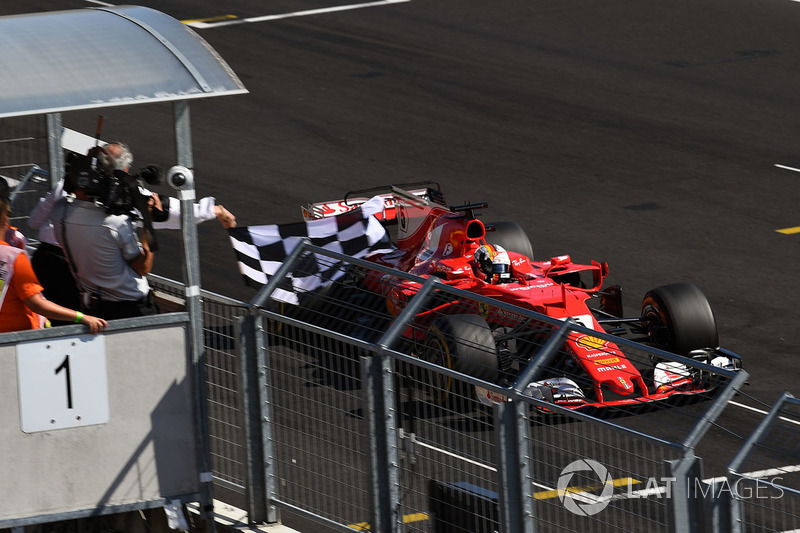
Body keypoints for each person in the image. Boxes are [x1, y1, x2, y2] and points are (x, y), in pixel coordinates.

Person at [28, 149, 236, 317]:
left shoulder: (61, 205)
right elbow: (145, 261)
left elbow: (35, 221)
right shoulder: (116, 218)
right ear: (122, 171)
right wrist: (213, 210)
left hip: (51, 265)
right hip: (118, 300)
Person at [50, 142, 158, 320]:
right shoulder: (115, 223)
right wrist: (148, 220)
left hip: (94, 307)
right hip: (132, 309)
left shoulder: (59, 212)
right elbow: (143, 267)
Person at [0, 195, 106, 334]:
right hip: (16, 343)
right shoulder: (13, 257)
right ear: (5, 218)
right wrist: (81, 317)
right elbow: (37, 304)